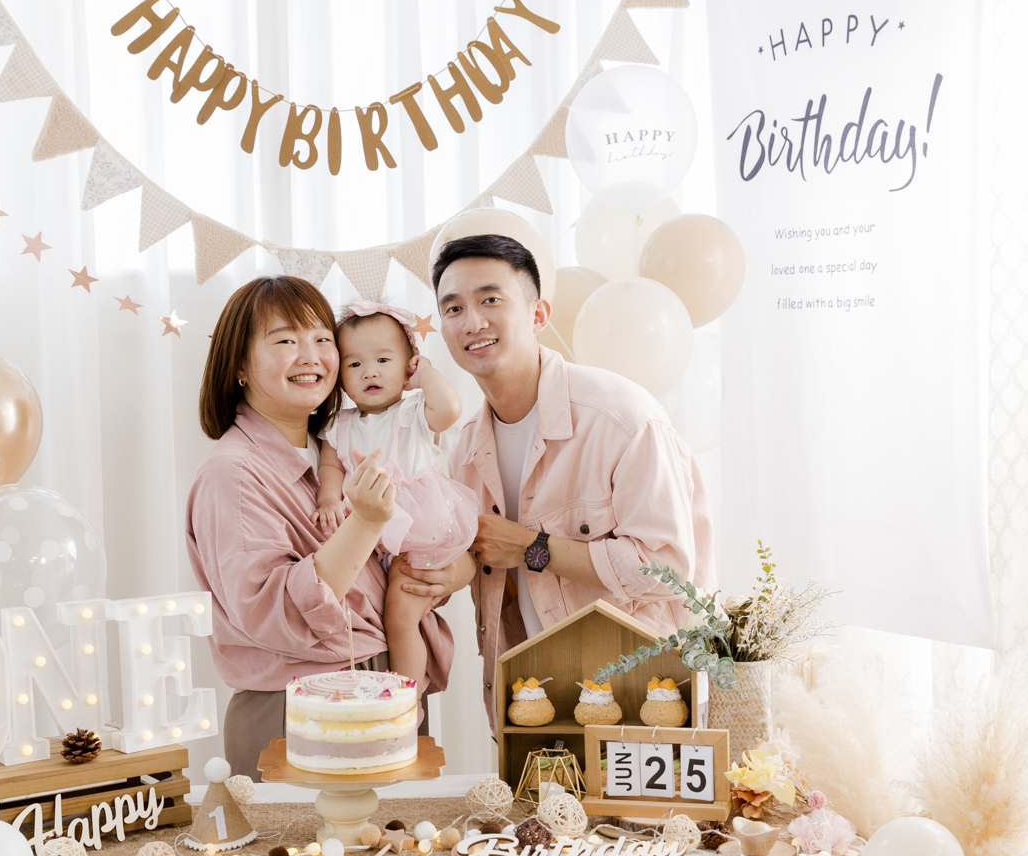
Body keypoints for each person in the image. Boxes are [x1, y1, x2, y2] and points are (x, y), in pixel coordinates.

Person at [185, 276, 473, 777]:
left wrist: (456, 570)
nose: (311, 356)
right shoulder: (232, 473)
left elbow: (399, 561)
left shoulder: (338, 450)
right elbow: (274, 614)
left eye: (322, 338)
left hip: (384, 687)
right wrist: (365, 522)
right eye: (284, 340)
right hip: (298, 708)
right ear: (239, 366)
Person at [434, 234, 715, 727]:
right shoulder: (465, 452)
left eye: (490, 300)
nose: (472, 322)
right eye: (453, 308)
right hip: (531, 702)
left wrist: (531, 548)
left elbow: (667, 567)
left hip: (643, 701)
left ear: (539, 314)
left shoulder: (622, 419)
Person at [313, 301, 477, 687]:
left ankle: (406, 694)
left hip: (418, 532)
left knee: (400, 618)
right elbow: (331, 467)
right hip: (373, 534)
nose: (369, 371)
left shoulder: (412, 411)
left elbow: (450, 409)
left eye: (384, 360)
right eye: (354, 364)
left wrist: (427, 374)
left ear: (408, 367)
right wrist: (329, 498)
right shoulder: (340, 424)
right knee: (392, 612)